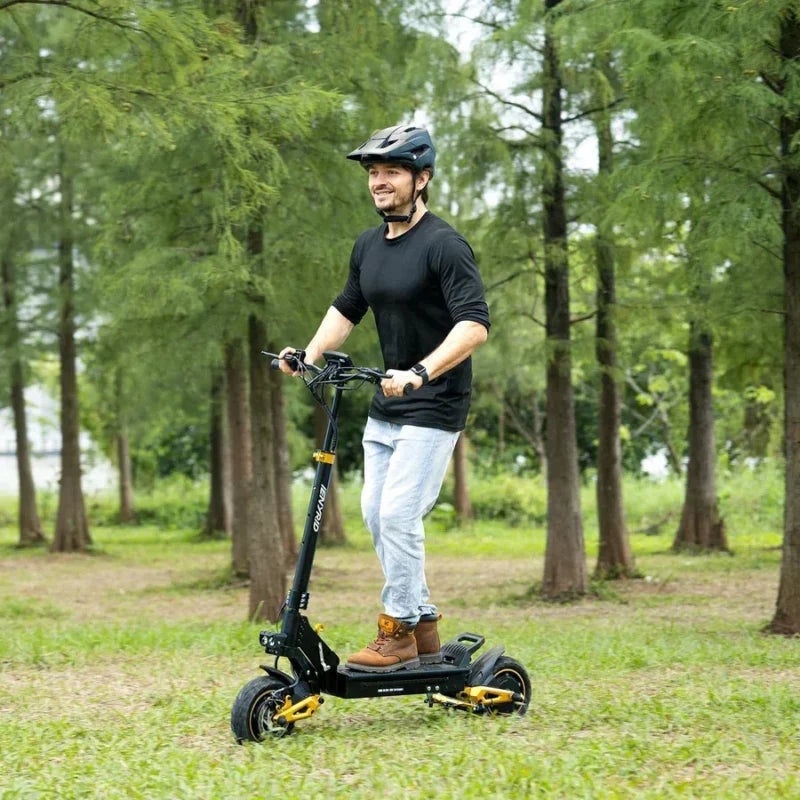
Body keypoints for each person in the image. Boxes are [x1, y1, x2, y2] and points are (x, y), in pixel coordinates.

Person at [278, 124, 490, 673]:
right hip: (386, 404)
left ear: (421, 179)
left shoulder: (445, 245)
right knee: (376, 515)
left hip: (434, 403)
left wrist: (422, 371)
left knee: (399, 513)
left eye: (391, 172)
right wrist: (310, 354)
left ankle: (396, 630)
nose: (379, 183)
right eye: (373, 173)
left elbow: (473, 326)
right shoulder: (368, 245)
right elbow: (347, 307)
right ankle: (425, 626)